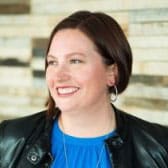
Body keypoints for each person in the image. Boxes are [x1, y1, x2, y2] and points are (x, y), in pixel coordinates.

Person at [0, 10, 168, 168]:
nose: (59, 76)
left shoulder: (159, 147)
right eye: (52, 62)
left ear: (112, 73)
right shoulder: (8, 140)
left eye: (75, 61)